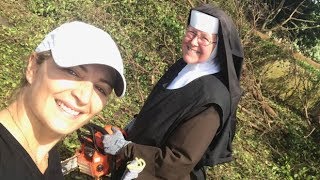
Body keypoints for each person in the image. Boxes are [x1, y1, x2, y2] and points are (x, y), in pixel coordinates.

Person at [103, 4, 244, 180]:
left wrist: (126, 149)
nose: (193, 42)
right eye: (192, 32)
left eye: (204, 38)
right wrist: (136, 125)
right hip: (137, 164)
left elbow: (178, 162)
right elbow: (162, 110)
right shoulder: (184, 66)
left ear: (218, 46)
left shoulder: (212, 99)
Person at [0, 21, 126, 179]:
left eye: (100, 89)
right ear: (33, 68)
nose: (84, 97)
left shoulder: (47, 156)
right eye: (72, 72)